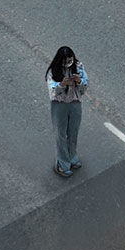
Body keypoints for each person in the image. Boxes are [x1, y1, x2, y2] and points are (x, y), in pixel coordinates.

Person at [46, 46, 88, 178]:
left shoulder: (78, 66)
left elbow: (84, 87)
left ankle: (72, 157)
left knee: (73, 132)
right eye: (66, 61)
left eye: (70, 60)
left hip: (75, 103)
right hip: (59, 105)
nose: (68, 63)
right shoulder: (53, 71)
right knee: (61, 135)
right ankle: (62, 163)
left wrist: (79, 81)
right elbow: (52, 91)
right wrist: (62, 84)